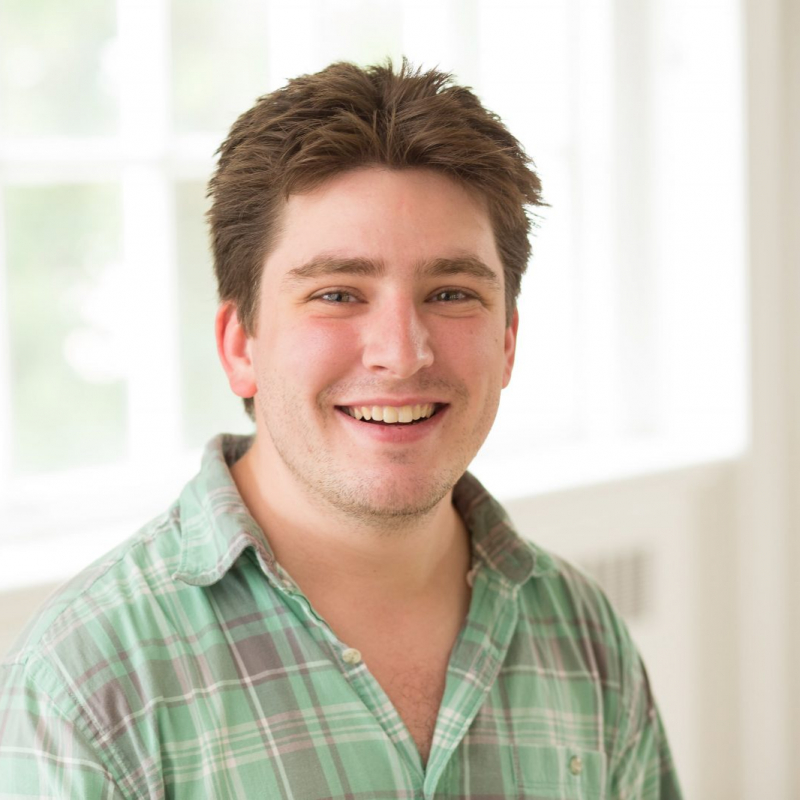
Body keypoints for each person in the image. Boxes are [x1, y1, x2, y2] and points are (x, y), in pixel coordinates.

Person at [0, 60, 682, 798]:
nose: (402, 353)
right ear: (241, 345)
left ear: (508, 341)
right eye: (337, 294)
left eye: (452, 293)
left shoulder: (584, 636)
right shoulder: (86, 689)